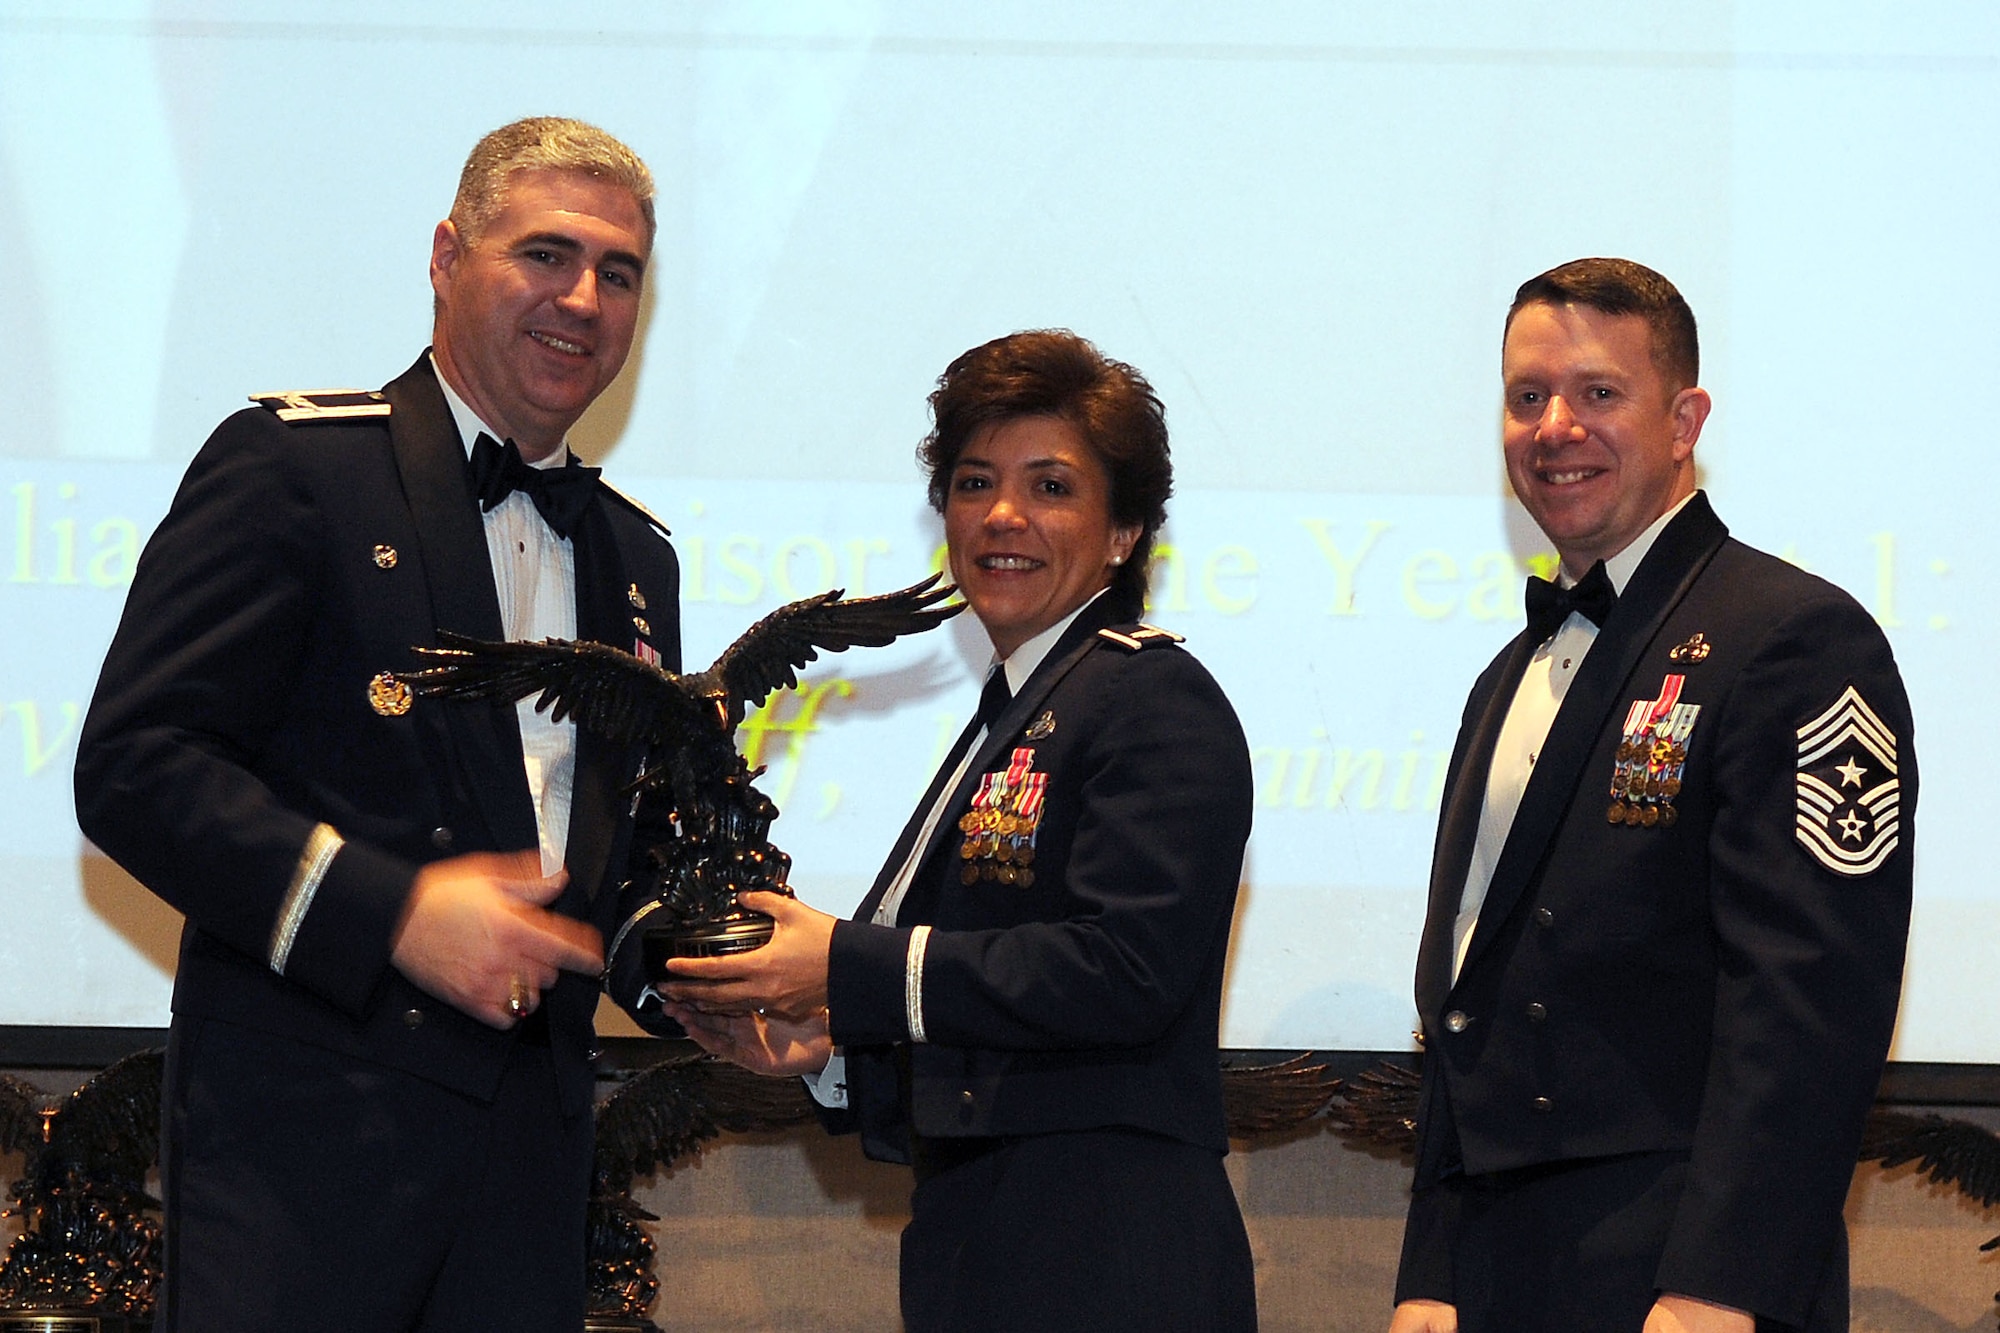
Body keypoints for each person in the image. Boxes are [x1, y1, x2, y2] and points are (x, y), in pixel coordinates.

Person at [73, 117, 680, 1332]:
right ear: (448, 255)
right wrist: (392, 911)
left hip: (529, 1175)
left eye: (617, 272)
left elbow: (615, 862)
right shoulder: (295, 468)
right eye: (544, 254)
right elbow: (137, 765)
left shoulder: (635, 555)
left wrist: (709, 975)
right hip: (306, 1158)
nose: (582, 297)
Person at [660, 329, 1258, 1333]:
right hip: (997, 1248)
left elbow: (1123, 971)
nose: (1002, 515)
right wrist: (829, 1048)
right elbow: (992, 1016)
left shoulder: (1152, 698)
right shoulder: (1023, 703)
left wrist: (845, 966)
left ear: (1126, 532)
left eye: (1051, 486)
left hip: (1106, 1255)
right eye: (973, 481)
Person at [1389, 259, 1916, 1333]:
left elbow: (1808, 1002)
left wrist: (1718, 1287)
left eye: (1595, 394)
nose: (1552, 428)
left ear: (1683, 420)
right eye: (1525, 396)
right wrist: (1429, 1272)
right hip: (1499, 1268)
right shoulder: (1509, 676)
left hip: (1680, 1273)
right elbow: (1463, 992)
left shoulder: (1793, 639)